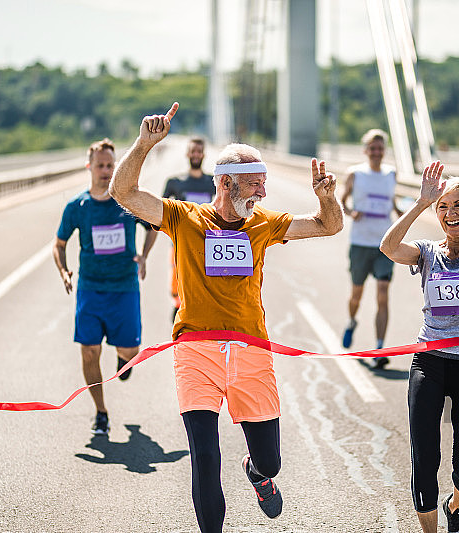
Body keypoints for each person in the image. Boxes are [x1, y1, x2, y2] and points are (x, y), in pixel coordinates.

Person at [110, 102, 343, 533]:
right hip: (196, 349)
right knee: (205, 454)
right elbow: (123, 194)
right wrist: (143, 145)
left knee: (271, 460)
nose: (263, 193)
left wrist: (327, 199)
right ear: (227, 182)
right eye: (255, 184)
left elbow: (327, 227)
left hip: (252, 350)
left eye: (264, 184)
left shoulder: (264, 223)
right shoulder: (183, 217)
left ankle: (256, 473)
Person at [379, 161, 459, 533]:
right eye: (443, 207)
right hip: (430, 363)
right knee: (424, 457)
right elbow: (388, 247)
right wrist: (420, 203)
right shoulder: (427, 252)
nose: (450, 214)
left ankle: (456, 503)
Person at [53, 138, 156, 435]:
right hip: (90, 289)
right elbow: (58, 245)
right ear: (89, 166)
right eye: (100, 165)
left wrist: (144, 257)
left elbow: (154, 228)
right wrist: (63, 271)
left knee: (130, 350)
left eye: (110, 165)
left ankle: (125, 357)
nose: (106, 170)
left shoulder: (127, 202)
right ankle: (100, 411)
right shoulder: (77, 207)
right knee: (89, 351)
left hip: (124, 287)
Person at [340, 129, 402, 369]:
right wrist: (351, 212)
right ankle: (352, 320)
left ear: (384, 151)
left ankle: (379, 347)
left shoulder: (390, 174)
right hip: (360, 243)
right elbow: (342, 201)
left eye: (380, 148)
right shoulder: (355, 174)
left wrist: (400, 213)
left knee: (383, 293)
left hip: (385, 245)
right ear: (365, 150)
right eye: (372, 148)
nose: (376, 152)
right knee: (357, 294)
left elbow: (392, 203)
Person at [161, 137, 216, 320]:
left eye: (199, 151)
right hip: (180, 244)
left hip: (206, 243)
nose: (196, 155)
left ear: (204, 154)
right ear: (187, 154)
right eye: (193, 151)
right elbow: (160, 210)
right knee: (177, 283)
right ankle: (178, 314)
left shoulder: (212, 182)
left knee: (205, 283)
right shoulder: (175, 182)